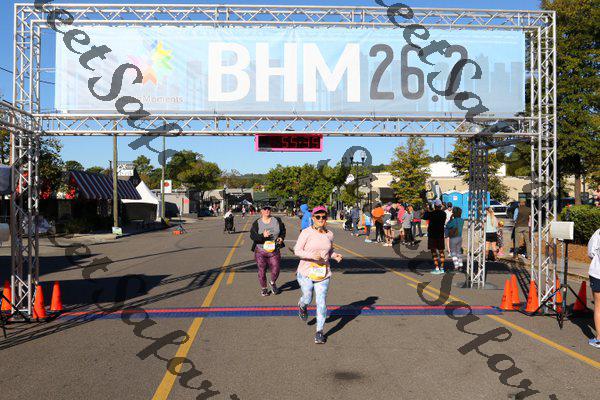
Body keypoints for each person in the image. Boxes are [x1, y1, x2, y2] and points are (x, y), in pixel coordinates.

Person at [294, 205, 343, 344]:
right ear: (313, 218)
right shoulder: (306, 232)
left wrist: (335, 255)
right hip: (306, 272)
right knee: (308, 297)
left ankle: (319, 332)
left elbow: (329, 250)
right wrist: (312, 256)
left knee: (321, 302)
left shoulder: (330, 234)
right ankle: (302, 305)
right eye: (318, 217)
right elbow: (297, 250)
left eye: (323, 217)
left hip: (323, 273)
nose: (321, 219)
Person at [249, 205, 286, 296]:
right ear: (261, 211)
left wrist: (281, 237)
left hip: (274, 249)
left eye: (268, 209)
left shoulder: (277, 220)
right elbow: (252, 236)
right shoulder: (257, 223)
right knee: (262, 270)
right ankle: (264, 288)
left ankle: (272, 282)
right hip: (260, 250)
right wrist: (262, 236)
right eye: (265, 209)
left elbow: (283, 231)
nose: (267, 210)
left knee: (276, 268)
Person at [423, 200, 447, 274]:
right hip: (440, 234)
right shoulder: (443, 213)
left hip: (432, 235)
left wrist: (427, 209)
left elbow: (424, 217)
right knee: (441, 251)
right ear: (440, 206)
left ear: (435, 206)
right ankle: (442, 268)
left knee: (434, 252)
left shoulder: (432, 213)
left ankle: (437, 268)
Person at [588, 228, 600, 348]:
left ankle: (599, 338)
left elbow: (591, 252)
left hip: (597, 273)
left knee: (598, 307)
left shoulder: (598, 233)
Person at [445, 207, 465, 271]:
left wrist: (451, 218)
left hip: (453, 238)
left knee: (453, 253)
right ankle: (461, 265)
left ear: (454, 213)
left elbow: (448, 226)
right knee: (458, 252)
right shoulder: (462, 220)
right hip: (459, 237)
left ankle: (456, 266)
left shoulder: (453, 221)